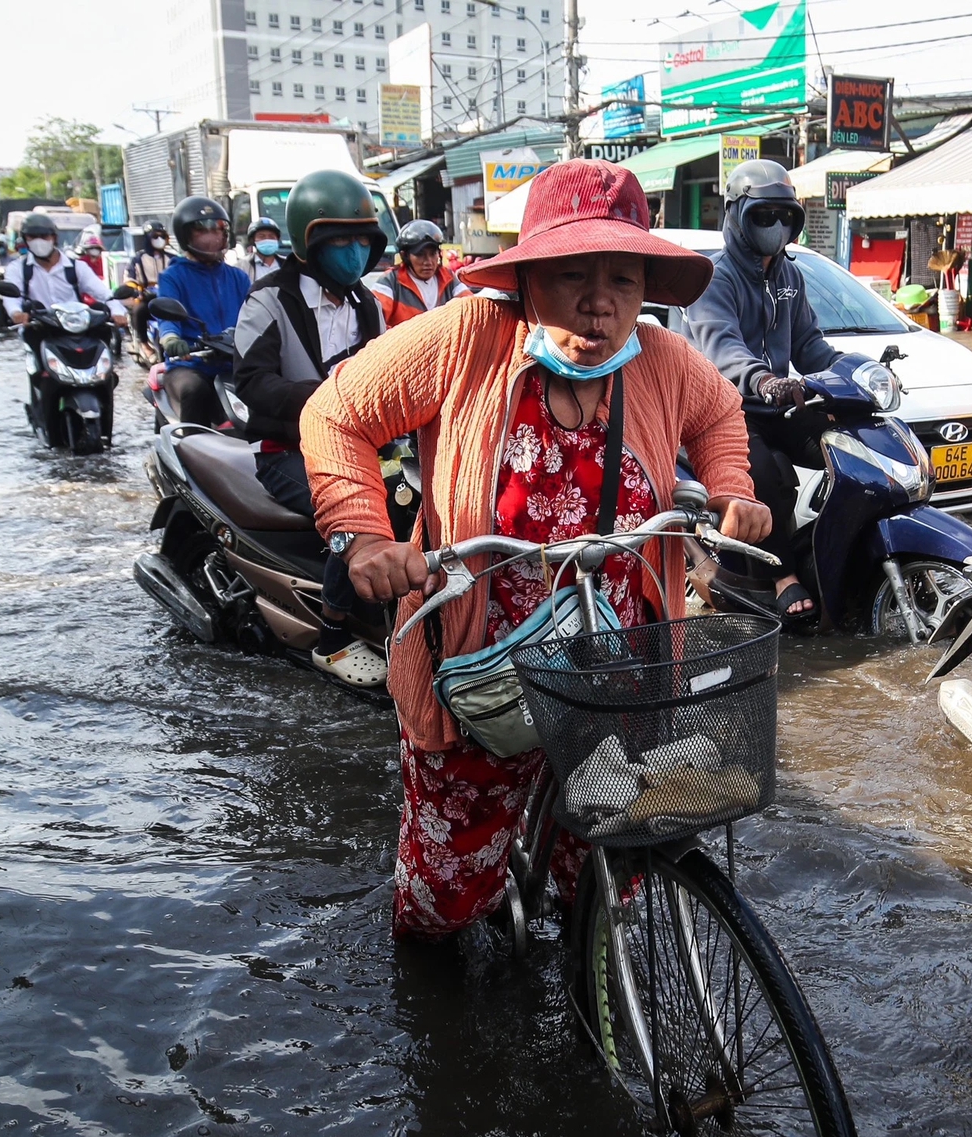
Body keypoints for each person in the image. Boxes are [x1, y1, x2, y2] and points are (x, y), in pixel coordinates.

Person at [299, 158, 769, 940]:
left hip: (614, 666)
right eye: (571, 275)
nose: (600, 305)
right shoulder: (462, 339)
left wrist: (731, 488)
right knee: (444, 899)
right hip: (481, 674)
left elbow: (720, 413)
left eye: (623, 279)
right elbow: (335, 414)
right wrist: (365, 533)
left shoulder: (659, 358)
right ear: (525, 281)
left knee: (602, 876)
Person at [685, 160, 865, 626]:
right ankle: (783, 575)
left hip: (781, 400)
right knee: (772, 475)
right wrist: (764, 380)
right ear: (737, 214)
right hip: (728, 409)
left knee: (850, 444)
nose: (776, 226)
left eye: (785, 217)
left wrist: (855, 370)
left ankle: (839, 543)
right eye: (764, 216)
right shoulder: (713, 277)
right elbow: (722, 348)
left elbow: (809, 345)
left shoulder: (790, 276)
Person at [231, 169, 390, 686]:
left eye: (361, 240)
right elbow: (252, 381)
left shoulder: (367, 303)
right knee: (358, 517)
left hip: (359, 448)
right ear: (308, 242)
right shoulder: (268, 301)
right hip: (285, 452)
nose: (353, 252)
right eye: (339, 240)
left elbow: (389, 375)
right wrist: (324, 400)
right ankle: (334, 637)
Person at [152, 197, 252, 427]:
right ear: (186, 237)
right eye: (203, 232)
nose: (213, 238)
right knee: (194, 390)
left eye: (218, 231)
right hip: (190, 365)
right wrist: (172, 339)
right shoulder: (173, 277)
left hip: (233, 364)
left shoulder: (238, 277)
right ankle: (191, 450)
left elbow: (256, 314)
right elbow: (167, 317)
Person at [1, 212, 126, 327]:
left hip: (76, 327)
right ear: (25, 239)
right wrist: (16, 313)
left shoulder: (77, 267)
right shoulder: (17, 268)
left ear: (54, 238)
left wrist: (117, 312)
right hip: (37, 329)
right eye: (32, 237)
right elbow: (12, 299)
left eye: (44, 236)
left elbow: (104, 293)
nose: (39, 241)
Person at [367, 219, 465, 327]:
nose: (428, 262)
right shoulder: (390, 281)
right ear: (405, 256)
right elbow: (374, 322)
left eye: (433, 254)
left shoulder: (448, 278)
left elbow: (470, 306)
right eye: (420, 254)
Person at [127, 224, 173, 353]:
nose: (159, 239)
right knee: (139, 310)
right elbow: (130, 278)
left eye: (162, 236)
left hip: (168, 295)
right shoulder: (138, 259)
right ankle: (144, 344)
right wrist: (136, 290)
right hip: (146, 295)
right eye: (155, 236)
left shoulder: (173, 258)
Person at [240, 217, 284, 284]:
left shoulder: (288, 264)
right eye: (262, 236)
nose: (267, 240)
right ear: (253, 240)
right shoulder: (242, 266)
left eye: (271, 237)